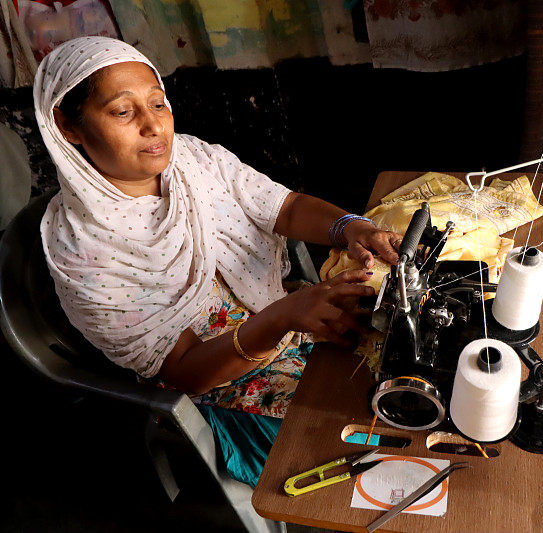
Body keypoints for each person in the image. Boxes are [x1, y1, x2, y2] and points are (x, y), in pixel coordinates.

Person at [35, 36, 401, 486]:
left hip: (288, 321)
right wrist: (282, 317)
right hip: (227, 392)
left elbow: (283, 208)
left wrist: (350, 227)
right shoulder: (82, 249)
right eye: (123, 111)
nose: (154, 126)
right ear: (65, 126)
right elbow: (187, 371)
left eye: (158, 103)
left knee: (409, 382)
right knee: (379, 457)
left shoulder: (193, 160)